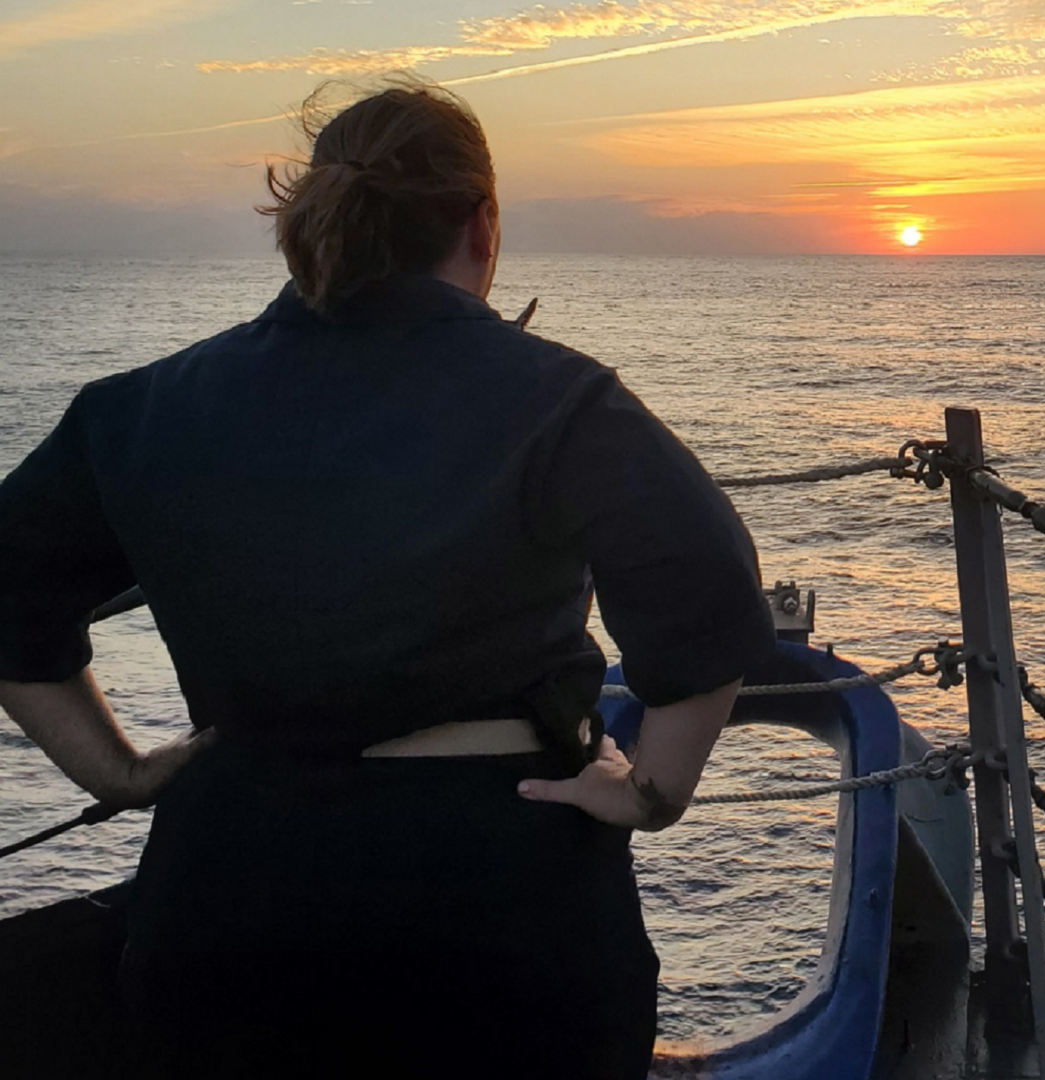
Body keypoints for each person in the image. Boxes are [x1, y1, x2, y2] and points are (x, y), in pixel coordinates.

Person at [0, 83, 773, 1078]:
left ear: (309, 225)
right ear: (483, 225)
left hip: (228, 897)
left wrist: (113, 771)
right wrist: (651, 790)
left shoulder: (139, 409)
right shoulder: (558, 398)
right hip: (496, 902)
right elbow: (707, 586)